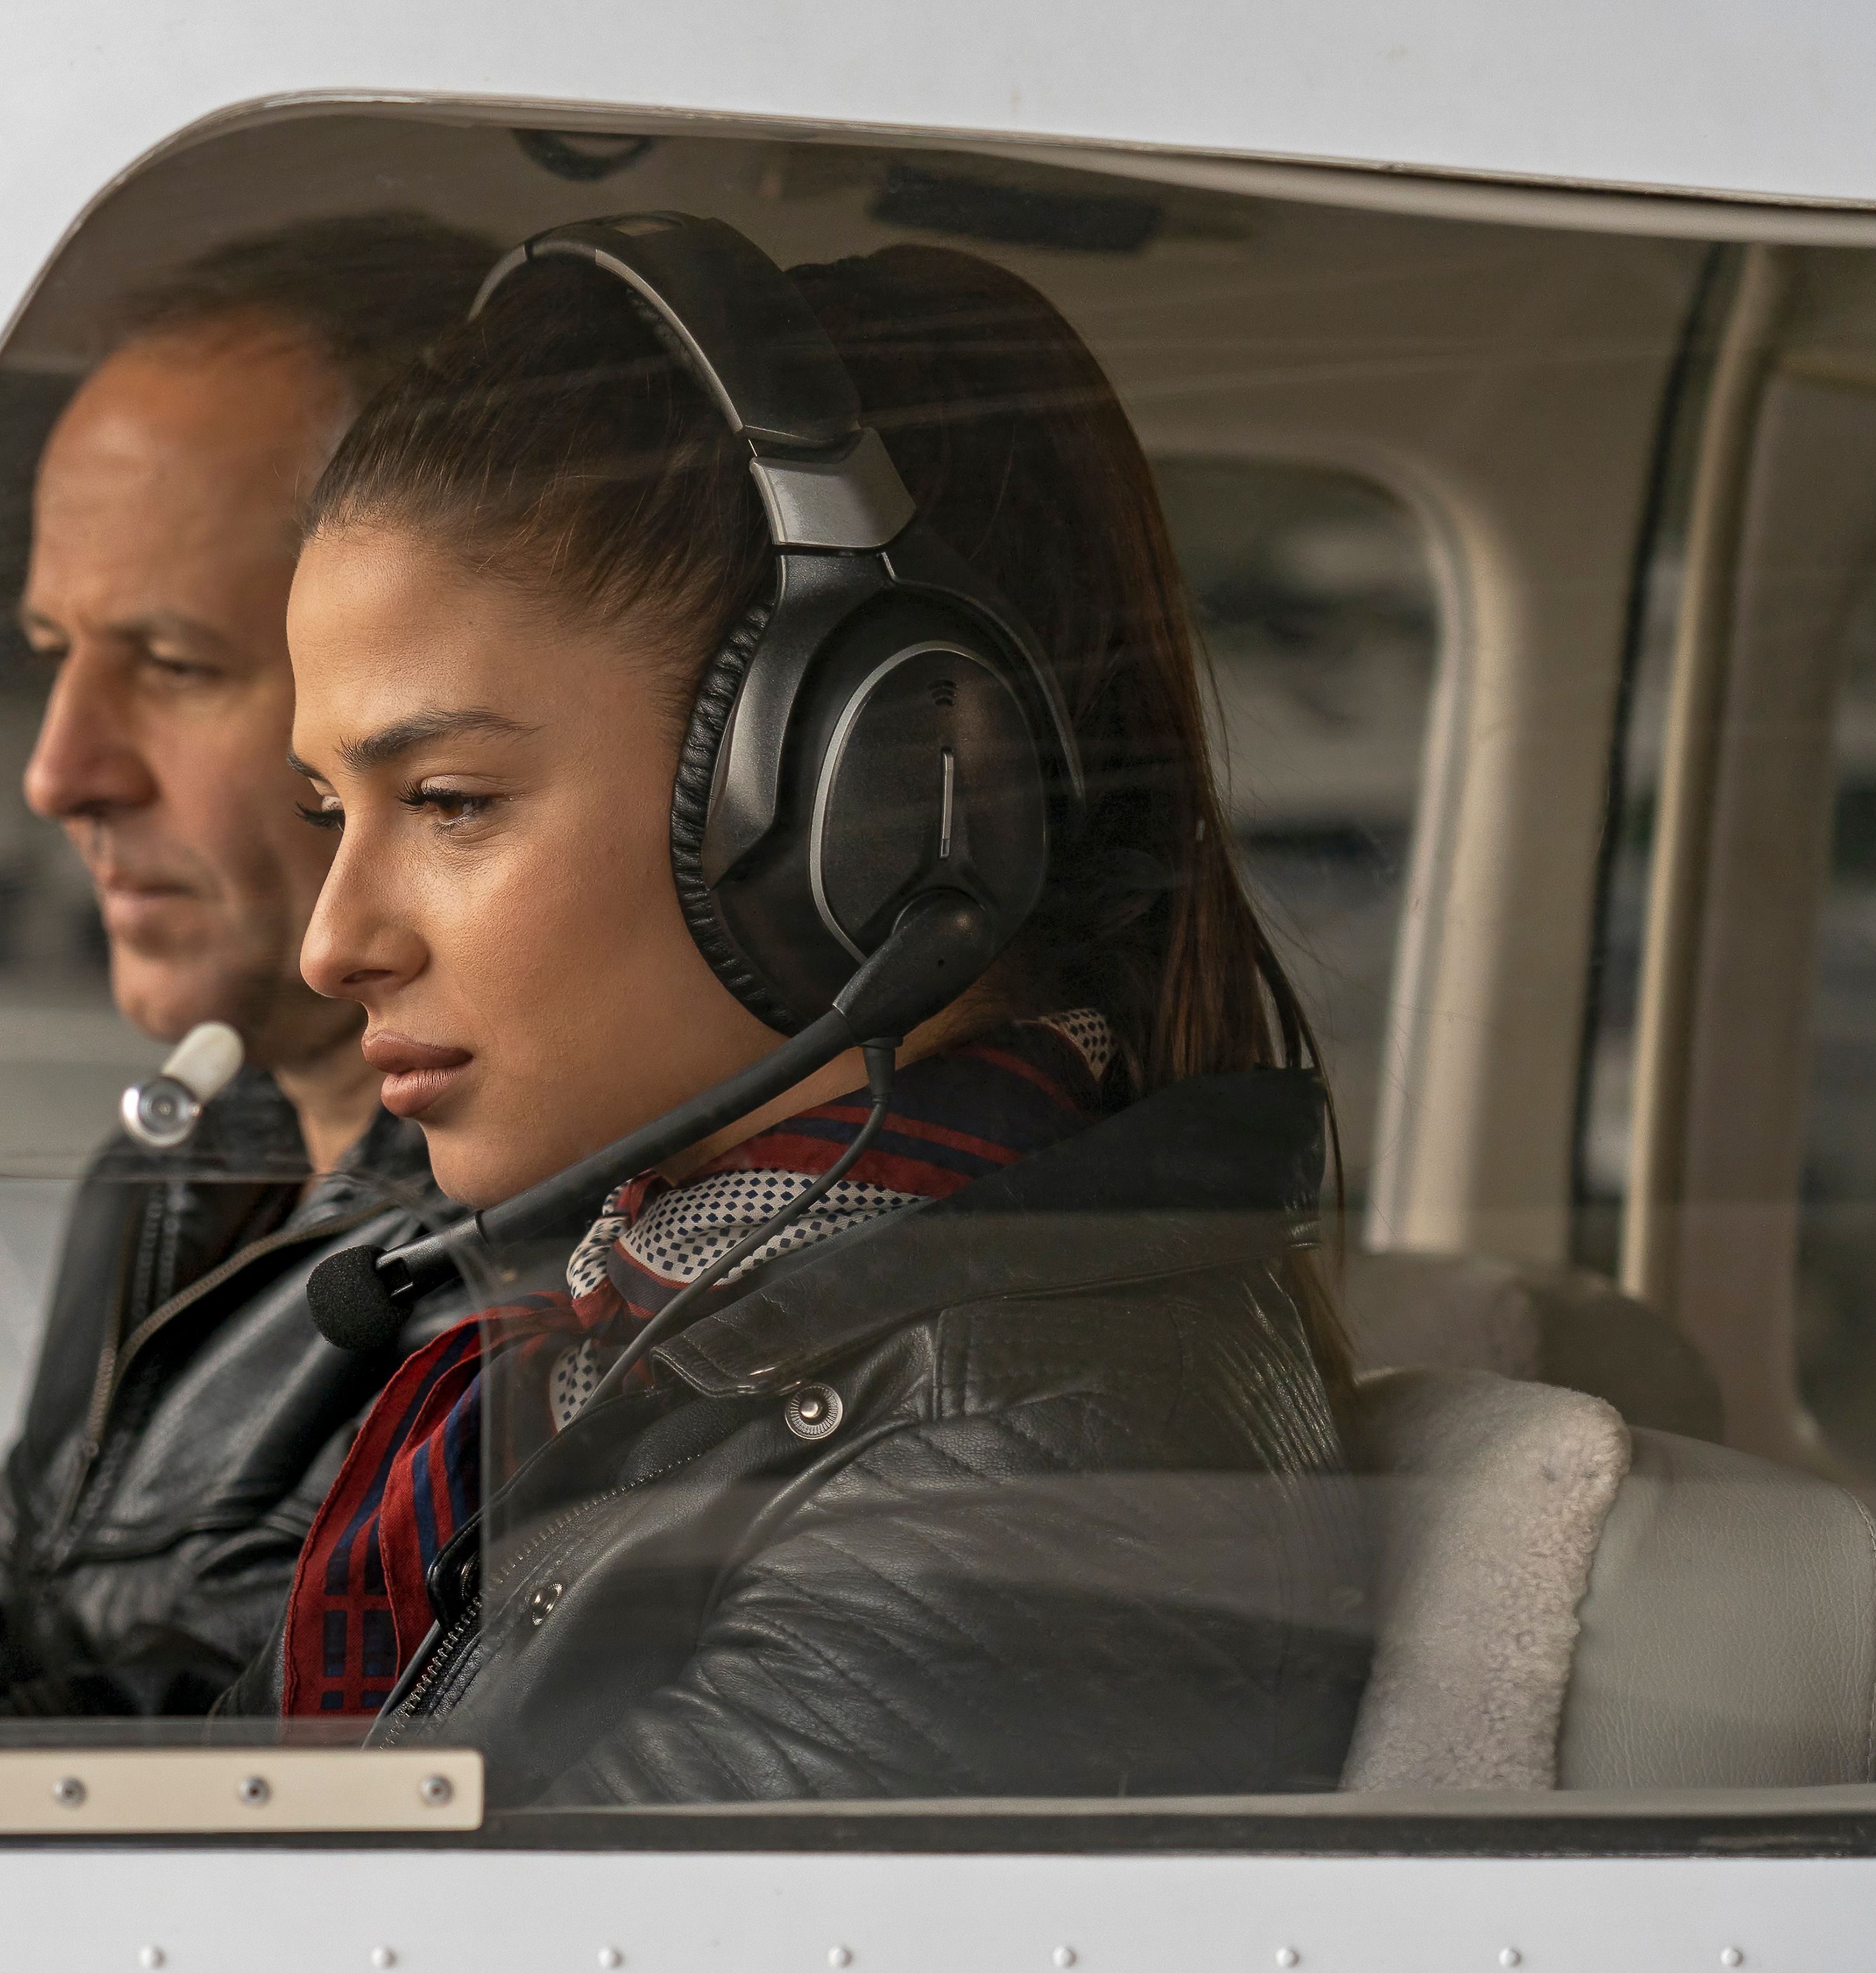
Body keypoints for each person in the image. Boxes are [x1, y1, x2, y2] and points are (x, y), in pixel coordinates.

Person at [232, 227, 1370, 1801]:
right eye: (324, 812)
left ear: (862, 806)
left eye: (446, 799)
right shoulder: (667, 1328)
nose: (330, 943)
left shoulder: (1019, 1467)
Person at [0, 214, 501, 1717]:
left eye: (175, 665)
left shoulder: (525, 1270)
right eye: (50, 653)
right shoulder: (187, 1165)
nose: (58, 772)